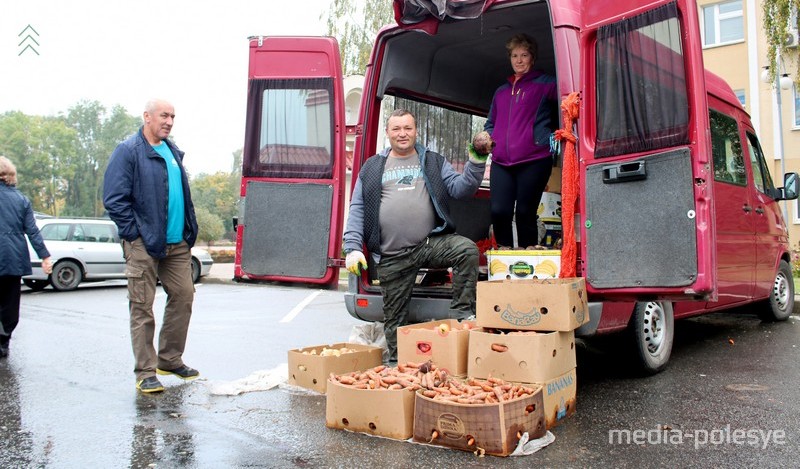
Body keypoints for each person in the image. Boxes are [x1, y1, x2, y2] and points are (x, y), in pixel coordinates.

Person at [342, 109, 487, 363]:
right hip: (392, 254)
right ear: (387, 133)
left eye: (408, 128)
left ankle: (462, 314)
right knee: (395, 322)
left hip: (427, 244)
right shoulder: (373, 167)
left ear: (415, 130)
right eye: (396, 129)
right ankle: (398, 366)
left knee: (466, 250)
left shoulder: (432, 161)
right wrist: (352, 247)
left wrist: (476, 161)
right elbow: (357, 208)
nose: (402, 134)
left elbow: (461, 189)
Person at [103, 99, 200, 393]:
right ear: (147, 117)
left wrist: (187, 231)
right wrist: (134, 234)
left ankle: (169, 359)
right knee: (142, 307)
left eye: (173, 116)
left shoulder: (172, 151)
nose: (169, 121)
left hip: (176, 244)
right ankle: (145, 371)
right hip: (143, 243)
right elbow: (114, 199)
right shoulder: (129, 151)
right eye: (164, 116)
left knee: (184, 296)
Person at [485, 33, 558, 248]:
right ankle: (505, 254)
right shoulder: (501, 92)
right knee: (499, 211)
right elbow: (490, 123)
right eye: (514, 55)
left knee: (526, 211)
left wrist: (549, 137)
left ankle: (528, 256)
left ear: (532, 58)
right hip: (501, 162)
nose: (519, 60)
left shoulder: (546, 84)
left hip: (535, 159)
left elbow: (571, 100)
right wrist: (489, 139)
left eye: (524, 55)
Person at [0, 156, 53, 358]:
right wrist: (45, 256)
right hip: (13, 256)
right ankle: (4, 341)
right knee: (10, 302)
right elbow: (32, 231)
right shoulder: (21, 199)